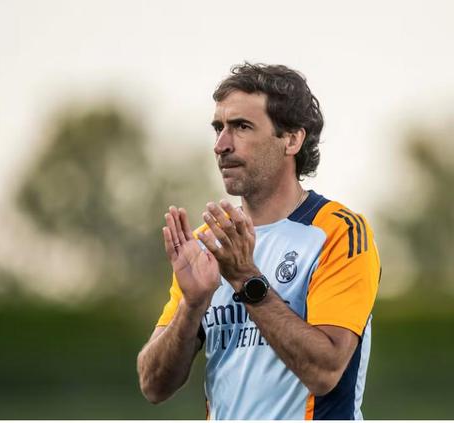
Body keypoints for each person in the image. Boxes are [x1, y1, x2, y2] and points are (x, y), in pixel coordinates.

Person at [136, 63, 380, 420]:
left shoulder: (339, 232)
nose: (221, 145)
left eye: (242, 127)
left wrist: (245, 279)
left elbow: (325, 371)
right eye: (218, 128)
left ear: (291, 140)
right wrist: (192, 305)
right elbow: (153, 385)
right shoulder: (208, 244)